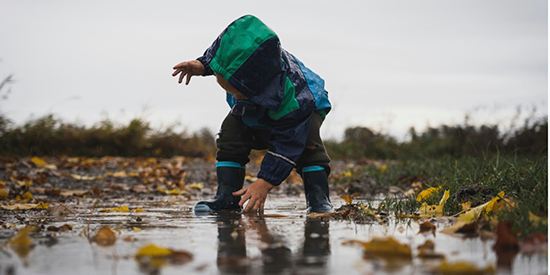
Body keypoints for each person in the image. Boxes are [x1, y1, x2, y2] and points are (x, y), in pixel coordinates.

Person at [172, 15, 333, 214]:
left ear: (257, 81)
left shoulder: (295, 100)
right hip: (258, 104)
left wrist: (264, 183)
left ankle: (319, 200)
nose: (237, 97)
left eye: (240, 90)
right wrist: (203, 65)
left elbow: (288, 142)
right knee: (231, 132)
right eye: (229, 88)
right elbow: (224, 57)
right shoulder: (235, 69)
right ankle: (226, 197)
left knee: (309, 146)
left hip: (304, 109)